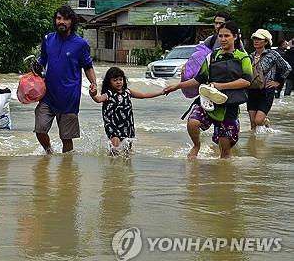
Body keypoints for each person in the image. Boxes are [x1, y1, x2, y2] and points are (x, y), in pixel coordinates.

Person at [164, 21, 252, 159]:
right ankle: (196, 146)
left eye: (226, 36)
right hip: (207, 101)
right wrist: (177, 86)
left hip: (229, 107)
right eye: (220, 36)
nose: (223, 39)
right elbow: (198, 79)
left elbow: (246, 81)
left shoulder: (243, 58)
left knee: (225, 154)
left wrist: (221, 86)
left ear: (235, 37)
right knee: (193, 122)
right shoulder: (211, 57)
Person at [34, 5, 97, 153]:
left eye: (66, 19)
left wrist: (93, 83)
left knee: (66, 138)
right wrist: (32, 74)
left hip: (69, 98)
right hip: (47, 95)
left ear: (72, 22)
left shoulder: (80, 44)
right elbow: (42, 62)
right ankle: (49, 152)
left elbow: (88, 66)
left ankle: (66, 169)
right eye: (59, 18)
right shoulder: (48, 39)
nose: (61, 22)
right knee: (40, 129)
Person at [89, 67, 164, 154]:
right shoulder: (108, 94)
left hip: (127, 123)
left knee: (127, 149)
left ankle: (126, 164)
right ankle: (112, 164)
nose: (119, 82)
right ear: (109, 82)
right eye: (115, 80)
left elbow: (144, 95)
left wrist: (161, 92)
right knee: (115, 146)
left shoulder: (127, 92)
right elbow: (98, 99)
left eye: (120, 79)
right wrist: (93, 94)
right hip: (112, 124)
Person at [247, 29, 291, 132]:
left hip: (266, 91)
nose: (256, 41)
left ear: (266, 42)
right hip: (252, 91)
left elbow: (287, 68)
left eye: (259, 39)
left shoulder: (273, 54)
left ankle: (265, 121)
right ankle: (254, 145)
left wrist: (278, 82)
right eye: (255, 39)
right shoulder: (250, 56)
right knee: (253, 123)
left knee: (258, 121)